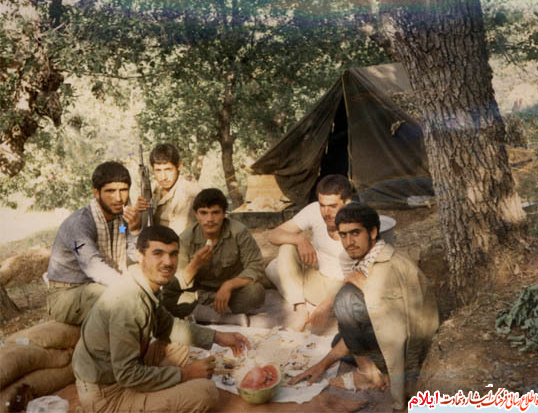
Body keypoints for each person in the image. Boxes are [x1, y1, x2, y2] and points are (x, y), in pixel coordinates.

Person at [72, 225, 250, 412]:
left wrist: (218, 337)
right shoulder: (128, 302)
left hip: (119, 373)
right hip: (107, 394)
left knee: (181, 343)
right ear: (139, 255)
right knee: (206, 392)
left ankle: (154, 392)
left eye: (173, 254)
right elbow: (127, 375)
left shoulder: (144, 283)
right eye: (158, 253)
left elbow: (168, 326)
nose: (168, 262)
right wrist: (185, 373)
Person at [290, 203, 439, 412]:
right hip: (386, 333)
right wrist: (321, 365)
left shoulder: (387, 267)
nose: (349, 242)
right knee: (341, 337)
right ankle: (372, 369)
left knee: (346, 301)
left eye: (355, 233)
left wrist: (398, 385)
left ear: (373, 232)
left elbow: (399, 333)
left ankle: (371, 374)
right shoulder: (368, 258)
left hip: (407, 348)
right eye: (343, 235)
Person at [46, 161, 142, 326]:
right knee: (122, 300)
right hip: (67, 293)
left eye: (123, 190)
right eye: (110, 191)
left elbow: (132, 255)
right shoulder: (80, 223)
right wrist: (128, 288)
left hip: (96, 286)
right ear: (96, 193)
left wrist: (134, 230)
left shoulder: (120, 221)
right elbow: (93, 265)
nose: (118, 198)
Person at [162, 188, 265, 326]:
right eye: (203, 213)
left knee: (256, 293)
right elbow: (174, 281)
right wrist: (195, 264)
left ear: (224, 214)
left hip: (230, 293)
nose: (209, 219)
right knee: (166, 297)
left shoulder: (239, 232)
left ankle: (202, 314)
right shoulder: (186, 239)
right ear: (196, 215)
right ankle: (224, 318)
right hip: (198, 294)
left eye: (215, 213)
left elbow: (256, 266)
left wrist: (228, 286)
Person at [266, 174, 354, 331]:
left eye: (333, 206)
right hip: (318, 281)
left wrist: (329, 303)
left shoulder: (360, 221)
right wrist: (300, 240)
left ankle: (316, 305)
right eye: (322, 205)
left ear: (347, 203)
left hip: (345, 289)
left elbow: (366, 276)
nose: (326, 212)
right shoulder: (315, 210)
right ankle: (302, 310)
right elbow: (273, 235)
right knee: (278, 260)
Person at [136, 143, 198, 234]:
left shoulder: (188, 194)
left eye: (168, 169)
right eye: (158, 170)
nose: (163, 177)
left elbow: (180, 237)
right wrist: (139, 212)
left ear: (179, 166)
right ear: (153, 169)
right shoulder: (154, 188)